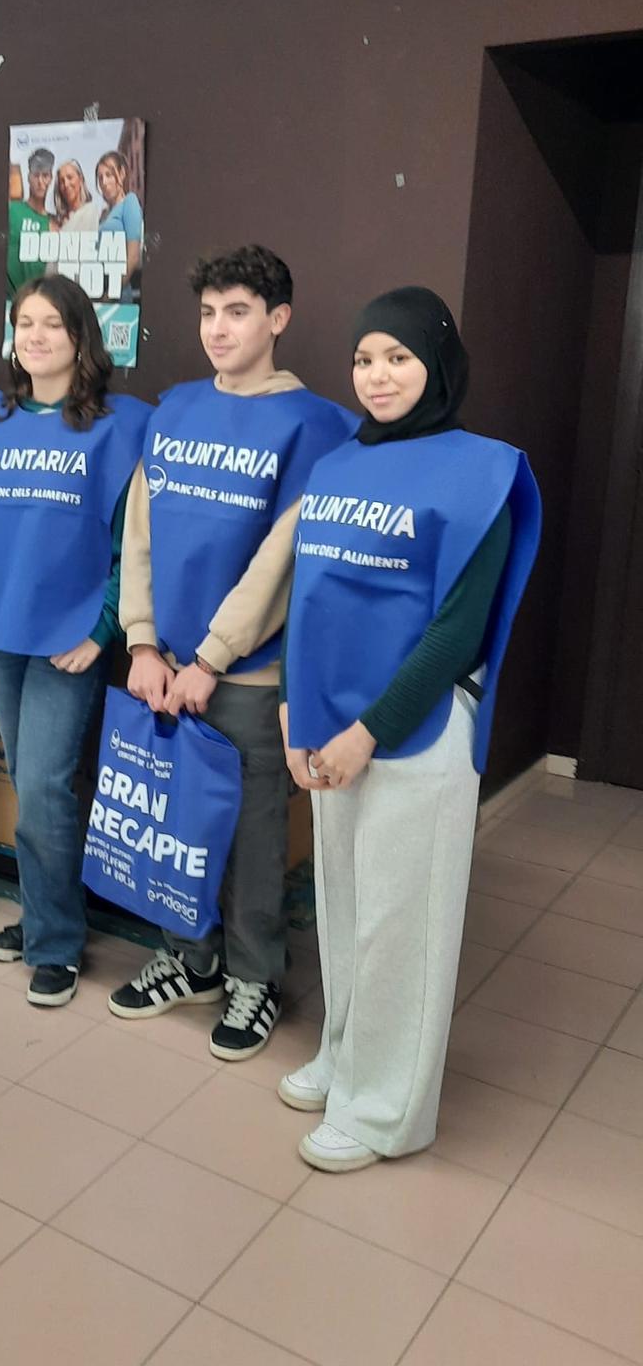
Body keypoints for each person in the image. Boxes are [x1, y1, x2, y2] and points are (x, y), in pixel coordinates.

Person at [279, 286, 541, 1171]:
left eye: (397, 356)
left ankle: (388, 1111)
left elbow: (460, 629)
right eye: (363, 358)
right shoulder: (339, 464)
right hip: (330, 723)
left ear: (437, 362)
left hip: (416, 728)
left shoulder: (484, 473)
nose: (377, 375)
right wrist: (297, 713)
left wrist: (370, 731)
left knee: (403, 924)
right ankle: (347, 1057)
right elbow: (308, 603)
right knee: (345, 907)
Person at [107, 247, 356, 1058]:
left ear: (278, 320)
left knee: (250, 840)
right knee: (174, 825)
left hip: (245, 674)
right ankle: (189, 959)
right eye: (210, 312)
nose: (219, 329)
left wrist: (211, 659)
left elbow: (284, 558)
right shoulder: (173, 407)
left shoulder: (314, 424)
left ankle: (254, 979)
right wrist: (142, 643)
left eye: (238, 312)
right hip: (163, 666)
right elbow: (138, 535)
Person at [0, 275, 149, 1006]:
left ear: (80, 338)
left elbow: (133, 543)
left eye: (52, 325)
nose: (35, 337)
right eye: (23, 324)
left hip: (71, 639)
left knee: (41, 788)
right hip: (1, 635)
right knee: (31, 788)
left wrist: (104, 630)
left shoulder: (119, 425)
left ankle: (58, 946)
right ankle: (42, 921)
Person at [95, 150, 144, 299]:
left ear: (122, 174)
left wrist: (111, 293)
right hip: (101, 288)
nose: (104, 182)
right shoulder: (104, 214)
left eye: (109, 175)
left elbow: (133, 256)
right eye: (100, 177)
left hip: (118, 293)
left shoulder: (130, 202)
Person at [6, 148, 55, 297]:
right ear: (29, 177)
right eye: (36, 175)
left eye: (45, 175)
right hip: (8, 301)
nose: (40, 181)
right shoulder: (13, 210)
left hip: (37, 300)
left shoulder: (53, 222)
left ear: (51, 178)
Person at [53, 159, 100, 236]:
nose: (66, 184)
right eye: (62, 181)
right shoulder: (57, 222)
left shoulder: (90, 211)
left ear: (80, 179)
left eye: (70, 177)